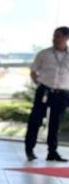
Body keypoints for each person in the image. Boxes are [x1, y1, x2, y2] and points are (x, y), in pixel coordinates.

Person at [25, 26, 69, 161]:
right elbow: (33, 71)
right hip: (44, 90)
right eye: (54, 36)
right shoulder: (44, 54)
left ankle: (52, 152)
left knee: (55, 124)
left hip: (62, 93)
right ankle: (29, 149)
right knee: (35, 120)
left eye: (58, 36)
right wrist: (38, 84)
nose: (54, 38)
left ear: (66, 38)